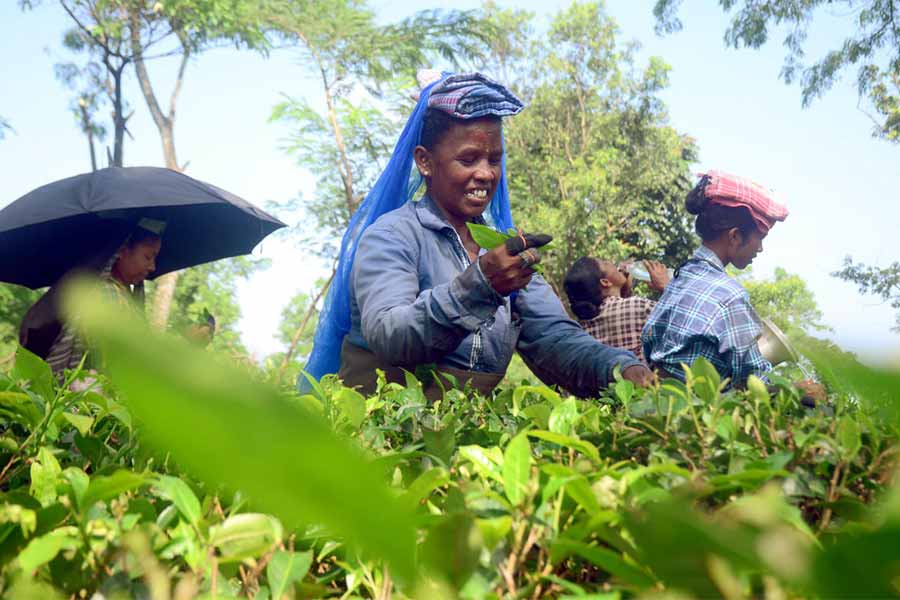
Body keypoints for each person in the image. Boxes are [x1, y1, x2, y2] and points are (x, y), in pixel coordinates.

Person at [301, 71, 655, 399]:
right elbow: (391, 334)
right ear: (425, 161)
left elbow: (552, 337)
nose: (486, 174)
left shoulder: (501, 249)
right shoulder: (392, 236)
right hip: (382, 432)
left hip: (460, 439)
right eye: (469, 159)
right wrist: (481, 286)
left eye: (494, 160)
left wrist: (620, 367)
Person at [641, 170, 789, 387]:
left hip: (657, 399)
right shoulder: (730, 295)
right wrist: (795, 389)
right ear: (735, 236)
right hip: (697, 413)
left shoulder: (682, 276)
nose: (760, 248)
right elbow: (754, 377)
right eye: (760, 238)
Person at [19, 219, 164, 378]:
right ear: (122, 251)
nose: (152, 267)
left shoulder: (118, 294)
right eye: (148, 257)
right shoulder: (107, 294)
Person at [564, 257, 670, 361]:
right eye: (605, 262)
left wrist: (625, 292)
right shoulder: (638, 307)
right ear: (605, 282)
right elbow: (680, 319)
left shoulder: (579, 329)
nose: (611, 262)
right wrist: (666, 285)